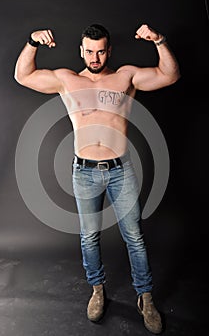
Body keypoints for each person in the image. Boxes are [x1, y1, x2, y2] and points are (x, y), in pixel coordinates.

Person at [14, 23, 180, 334]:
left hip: (120, 170)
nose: (95, 56)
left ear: (109, 50)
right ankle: (97, 290)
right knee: (89, 237)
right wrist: (31, 41)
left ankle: (145, 297)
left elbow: (170, 75)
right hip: (84, 172)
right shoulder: (67, 79)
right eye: (89, 51)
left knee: (135, 237)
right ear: (81, 51)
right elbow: (22, 75)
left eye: (101, 50)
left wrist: (160, 40)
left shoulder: (125, 76)